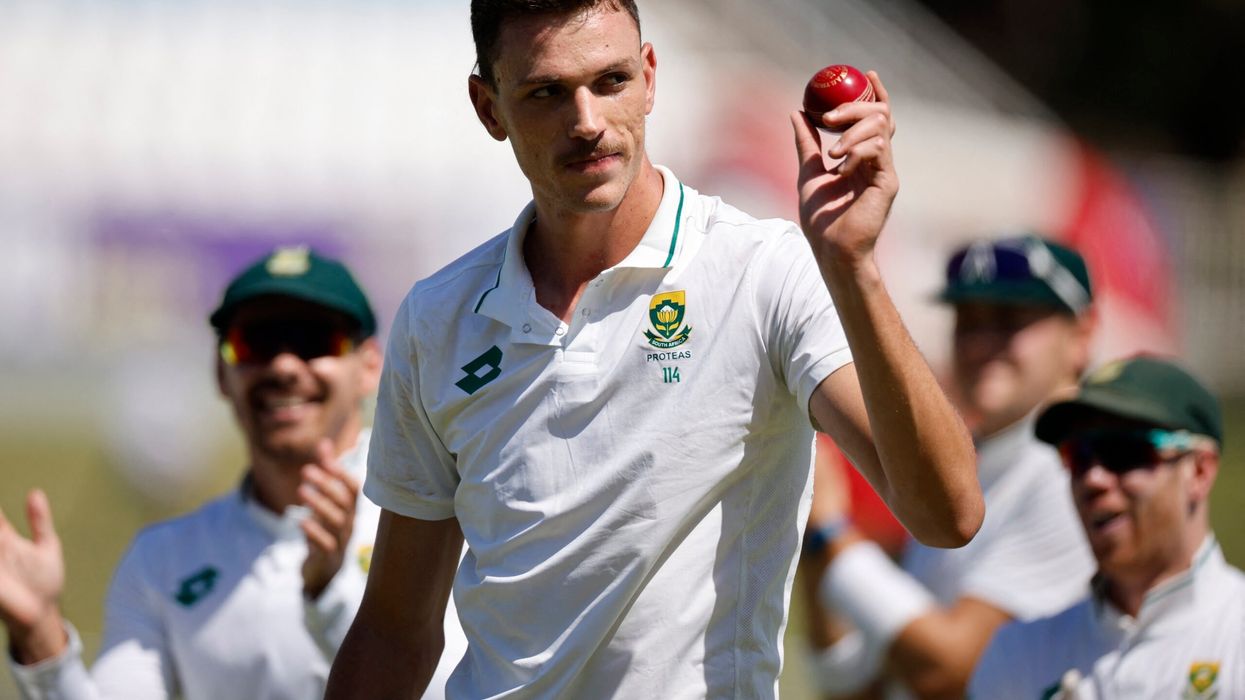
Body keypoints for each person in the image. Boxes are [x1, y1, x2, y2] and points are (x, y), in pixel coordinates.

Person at [326, 1, 983, 698]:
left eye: (609, 82)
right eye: (546, 93)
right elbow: (395, 627)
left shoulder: (762, 271)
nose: (585, 122)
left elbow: (946, 514)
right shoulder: (438, 317)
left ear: (648, 77)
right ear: (488, 108)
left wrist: (854, 266)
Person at [0, 246, 467, 699]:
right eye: (255, 343)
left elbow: (460, 692)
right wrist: (40, 636)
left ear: (369, 366)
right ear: (222, 374)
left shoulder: (443, 518)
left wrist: (331, 593)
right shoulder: (163, 560)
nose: (283, 366)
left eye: (313, 341)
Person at [798, 235, 1098, 699]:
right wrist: (815, 543)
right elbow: (852, 682)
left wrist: (832, 535)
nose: (982, 344)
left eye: (1008, 321)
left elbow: (954, 671)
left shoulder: (1078, 472)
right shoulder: (985, 465)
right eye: (968, 321)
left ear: (1081, 334)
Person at [970, 355, 1244, 699]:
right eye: (1078, 455)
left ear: (1200, 471)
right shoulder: (1017, 655)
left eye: (1123, 451)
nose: (1094, 478)